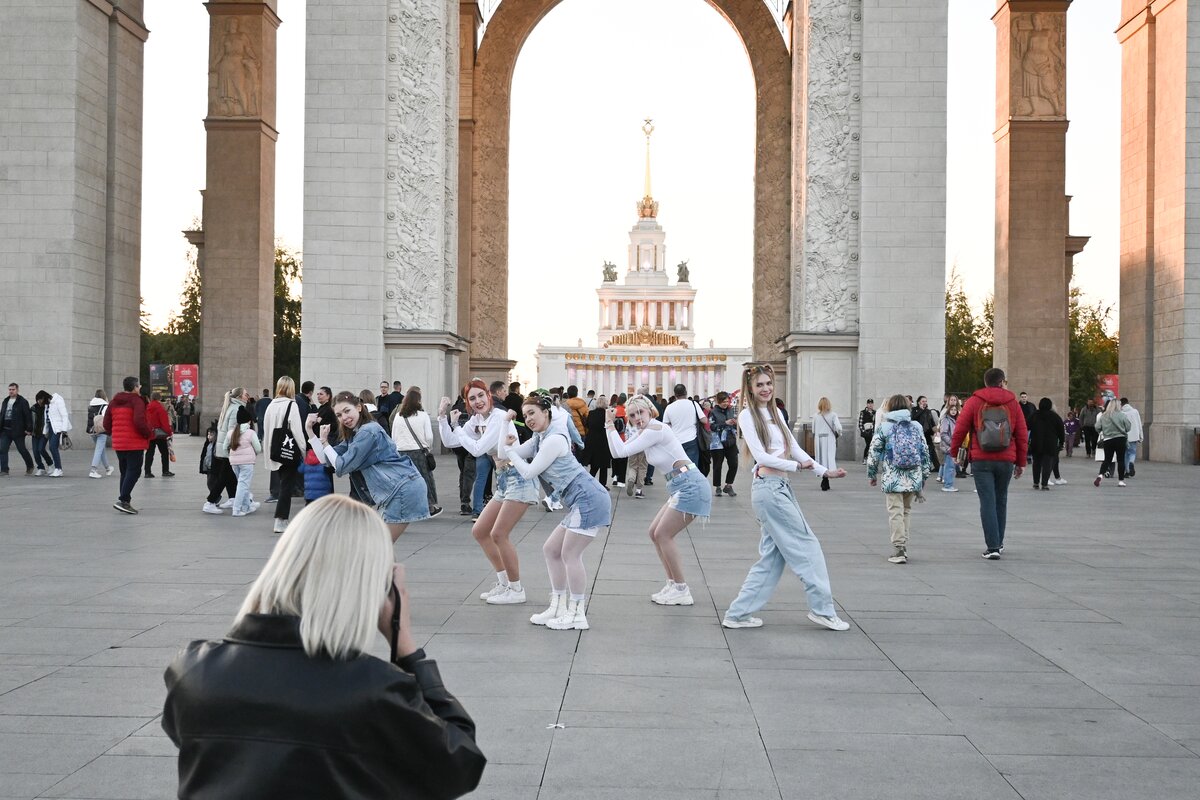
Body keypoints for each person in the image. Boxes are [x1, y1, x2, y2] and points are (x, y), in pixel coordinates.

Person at [161, 495, 487, 798]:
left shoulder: (193, 670)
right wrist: (407, 648)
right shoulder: (373, 689)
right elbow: (459, 764)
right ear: (370, 585)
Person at [722, 364, 850, 632]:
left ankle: (738, 614)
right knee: (808, 546)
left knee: (772, 557)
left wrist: (823, 471)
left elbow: (794, 447)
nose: (766, 388)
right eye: (760, 385)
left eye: (769, 383)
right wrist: (796, 467)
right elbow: (761, 456)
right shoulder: (747, 416)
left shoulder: (776, 412)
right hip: (770, 489)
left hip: (778, 487)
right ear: (750, 388)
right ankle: (823, 610)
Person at [498, 393, 612, 631]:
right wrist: (504, 424)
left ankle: (577, 613)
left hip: (589, 498)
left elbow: (527, 471)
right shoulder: (540, 439)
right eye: (525, 414)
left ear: (546, 412)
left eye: (532, 413)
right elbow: (503, 452)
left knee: (570, 554)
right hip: (580, 499)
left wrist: (510, 451)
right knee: (551, 549)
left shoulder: (554, 440)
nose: (528, 418)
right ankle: (558, 605)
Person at [606, 394, 711, 606]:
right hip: (679, 484)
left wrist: (609, 424)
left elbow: (620, 452)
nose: (637, 418)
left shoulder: (655, 429)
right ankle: (673, 584)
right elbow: (619, 450)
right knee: (655, 533)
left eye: (640, 413)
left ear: (650, 410)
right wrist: (611, 427)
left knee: (663, 534)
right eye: (632, 415)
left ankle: (681, 588)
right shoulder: (646, 431)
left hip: (690, 484)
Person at [439, 383, 538, 606]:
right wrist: (442, 418)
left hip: (519, 478)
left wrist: (456, 428)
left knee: (499, 534)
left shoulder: (499, 417)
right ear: (468, 402)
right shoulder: (477, 420)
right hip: (504, 480)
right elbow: (449, 441)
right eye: (472, 398)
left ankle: (516, 588)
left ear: (489, 396)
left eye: (480, 396)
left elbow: (477, 449)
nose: (477, 401)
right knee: (480, 530)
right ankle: (504, 583)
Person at [307, 390, 429, 541]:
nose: (344, 418)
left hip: (402, 489)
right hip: (396, 490)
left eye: (347, 411)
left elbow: (341, 466)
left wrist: (325, 442)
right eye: (339, 415)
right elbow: (326, 459)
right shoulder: (356, 433)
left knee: (377, 547)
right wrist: (311, 433)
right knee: (379, 548)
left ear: (359, 407)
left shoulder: (368, 432)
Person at [950, 367, 1027, 560]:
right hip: (1006, 459)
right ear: (1002, 382)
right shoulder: (1013, 403)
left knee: (987, 502)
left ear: (986, 382)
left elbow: (960, 429)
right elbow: (1021, 434)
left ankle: (992, 546)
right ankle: (999, 543)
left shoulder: (975, 401)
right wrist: (1021, 462)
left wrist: (954, 452)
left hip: (981, 459)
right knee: (1001, 500)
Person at [866, 394, 931, 564]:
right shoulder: (916, 426)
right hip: (912, 476)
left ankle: (898, 548)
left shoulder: (884, 427)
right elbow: (924, 452)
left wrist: (872, 474)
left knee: (895, 512)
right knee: (906, 511)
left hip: (893, 477)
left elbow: (873, 453)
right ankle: (904, 545)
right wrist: (924, 475)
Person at [261, 377, 308, 534]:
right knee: (286, 487)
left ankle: (281, 519)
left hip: (274, 451)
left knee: (283, 485)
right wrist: (303, 450)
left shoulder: (270, 405)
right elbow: (297, 431)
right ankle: (281, 520)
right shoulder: (291, 405)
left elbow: (266, 430)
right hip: (287, 452)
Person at [104, 377, 151, 514]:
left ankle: (125, 501)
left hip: (119, 443)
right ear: (135, 387)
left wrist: (115, 433)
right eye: (139, 386)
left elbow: (107, 423)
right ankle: (123, 500)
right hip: (134, 442)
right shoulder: (137, 401)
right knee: (134, 471)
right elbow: (139, 420)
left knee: (125, 472)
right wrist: (148, 433)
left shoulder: (114, 402)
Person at [391, 387, 441, 518]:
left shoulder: (398, 416)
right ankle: (429, 506)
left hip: (401, 452)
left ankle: (403, 508)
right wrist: (428, 448)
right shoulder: (423, 416)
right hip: (418, 452)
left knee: (404, 482)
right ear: (418, 401)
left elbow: (394, 436)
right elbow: (429, 437)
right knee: (424, 480)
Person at [203, 388, 247, 514]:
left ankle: (233, 498)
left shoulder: (230, 407)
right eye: (245, 394)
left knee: (229, 475)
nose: (247, 396)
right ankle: (210, 501)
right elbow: (233, 431)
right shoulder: (236, 409)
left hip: (224, 448)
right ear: (239, 397)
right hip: (228, 449)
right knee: (225, 476)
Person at [227, 404, 263, 517]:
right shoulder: (250, 433)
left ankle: (247, 506)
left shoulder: (230, 433)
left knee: (242, 484)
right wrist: (253, 454)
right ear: (248, 421)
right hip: (247, 462)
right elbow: (258, 448)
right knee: (243, 485)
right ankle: (237, 509)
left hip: (233, 462)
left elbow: (224, 447)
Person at [661, 383, 705, 466]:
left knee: (677, 466)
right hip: (691, 440)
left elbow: (665, 426)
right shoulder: (693, 404)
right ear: (686, 393)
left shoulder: (669, 407)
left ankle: (680, 477)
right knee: (691, 466)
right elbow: (704, 420)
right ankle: (689, 477)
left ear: (675, 395)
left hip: (676, 441)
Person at [1028, 397, 1065, 491]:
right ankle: (1044, 484)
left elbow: (1027, 425)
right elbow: (1061, 430)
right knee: (1047, 464)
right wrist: (1061, 442)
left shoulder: (1034, 415)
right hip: (1050, 444)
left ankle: (1036, 483)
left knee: (1036, 463)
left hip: (1036, 442)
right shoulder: (1055, 416)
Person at [1095, 398, 1131, 488]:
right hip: (1120, 439)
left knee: (1107, 459)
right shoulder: (1122, 415)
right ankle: (1121, 481)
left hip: (1108, 439)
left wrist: (1103, 431)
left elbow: (1097, 427)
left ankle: (1100, 475)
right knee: (1120, 460)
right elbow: (1128, 427)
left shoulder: (1104, 416)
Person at [0, 383, 35, 476]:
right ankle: (4, 470)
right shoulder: (5, 401)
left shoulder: (22, 401)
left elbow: (27, 416)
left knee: (22, 449)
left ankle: (30, 465)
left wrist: (29, 429)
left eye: (13, 389)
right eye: (10, 389)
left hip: (18, 431)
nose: (11, 391)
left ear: (17, 390)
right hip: (5, 430)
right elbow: (2, 415)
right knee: (2, 449)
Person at [709, 391, 739, 497]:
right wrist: (724, 424)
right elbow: (712, 427)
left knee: (734, 464)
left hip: (730, 440)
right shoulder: (713, 412)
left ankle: (728, 485)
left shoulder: (731, 410)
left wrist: (735, 424)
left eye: (727, 401)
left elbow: (735, 424)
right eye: (723, 402)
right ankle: (717, 486)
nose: (726, 403)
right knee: (718, 465)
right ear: (718, 402)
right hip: (718, 443)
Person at [812, 396, 842, 491]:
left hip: (819, 439)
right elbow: (839, 428)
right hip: (829, 438)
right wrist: (838, 434)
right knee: (829, 458)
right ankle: (826, 478)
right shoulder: (833, 415)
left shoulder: (816, 416)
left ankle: (824, 478)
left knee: (821, 459)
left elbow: (813, 430)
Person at [39, 390, 72, 477]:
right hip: (50, 428)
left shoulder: (58, 401)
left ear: (43, 398)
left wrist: (63, 430)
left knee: (53, 447)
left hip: (58, 428)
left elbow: (64, 415)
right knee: (42, 447)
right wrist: (45, 431)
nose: (40, 403)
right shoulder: (47, 405)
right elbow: (47, 419)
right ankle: (53, 466)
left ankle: (58, 469)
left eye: (40, 400)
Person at [144, 392, 175, 478]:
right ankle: (165, 471)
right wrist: (169, 432)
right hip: (160, 434)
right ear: (159, 398)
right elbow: (164, 423)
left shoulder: (147, 407)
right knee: (164, 452)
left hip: (150, 433)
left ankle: (147, 472)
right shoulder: (160, 408)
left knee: (149, 453)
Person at [584, 394, 611, 487]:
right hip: (604, 441)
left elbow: (587, 425)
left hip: (592, 441)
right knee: (603, 466)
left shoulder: (591, 413)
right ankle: (602, 485)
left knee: (594, 465)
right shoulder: (607, 414)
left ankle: (589, 483)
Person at [87, 390, 114, 479]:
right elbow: (107, 418)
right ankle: (93, 470)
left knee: (101, 449)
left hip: (92, 430)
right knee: (99, 450)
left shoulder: (91, 405)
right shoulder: (105, 406)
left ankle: (107, 468)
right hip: (101, 430)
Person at [937, 395, 960, 492]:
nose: (954, 411)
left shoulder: (955, 419)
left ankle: (948, 484)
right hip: (948, 446)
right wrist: (952, 443)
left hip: (952, 446)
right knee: (949, 466)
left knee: (950, 466)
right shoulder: (946, 419)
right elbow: (943, 434)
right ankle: (948, 485)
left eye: (955, 409)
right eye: (952, 410)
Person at [609, 393, 628, 487]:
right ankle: (621, 481)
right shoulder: (626, 411)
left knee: (615, 458)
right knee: (623, 460)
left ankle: (615, 477)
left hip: (614, 438)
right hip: (623, 438)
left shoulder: (614, 410)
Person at [1121, 397, 1143, 478]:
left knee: (1125, 454)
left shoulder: (1121, 413)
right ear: (1128, 403)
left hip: (1123, 436)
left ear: (1121, 404)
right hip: (1134, 436)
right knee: (1132, 452)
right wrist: (1141, 436)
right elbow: (1139, 424)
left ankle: (1127, 471)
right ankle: (1131, 463)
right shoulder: (1135, 411)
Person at [857, 399, 875, 464]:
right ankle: (865, 458)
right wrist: (863, 431)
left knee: (871, 445)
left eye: (871, 403)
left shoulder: (874, 412)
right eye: (869, 403)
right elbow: (860, 423)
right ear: (867, 404)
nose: (870, 405)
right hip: (866, 432)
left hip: (873, 431)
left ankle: (870, 458)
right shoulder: (863, 412)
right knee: (868, 444)